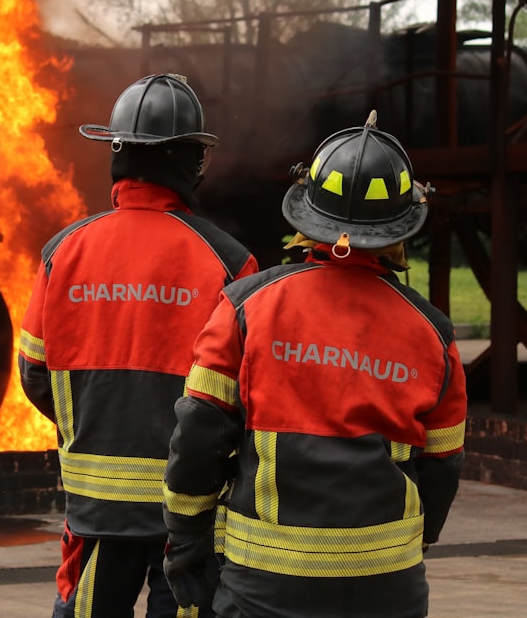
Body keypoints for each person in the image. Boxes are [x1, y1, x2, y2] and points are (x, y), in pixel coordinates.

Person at [162, 113, 468, 618]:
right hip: (386, 589)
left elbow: (200, 431)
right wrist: (415, 544)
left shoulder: (245, 308)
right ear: (402, 224)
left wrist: (187, 537)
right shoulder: (433, 332)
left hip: (266, 589)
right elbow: (443, 465)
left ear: (307, 214)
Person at [18, 73, 259, 618]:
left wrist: (92, 424)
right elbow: (248, 393)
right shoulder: (229, 262)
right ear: (191, 161)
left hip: (97, 512)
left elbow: (34, 370)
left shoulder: (64, 252)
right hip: (190, 516)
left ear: (117, 152)